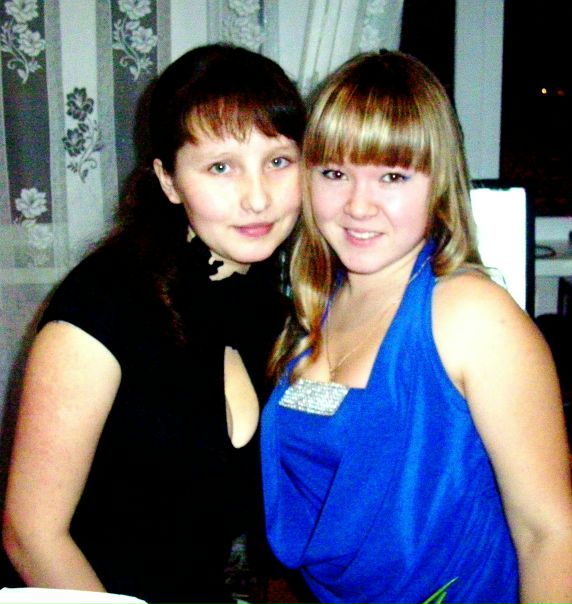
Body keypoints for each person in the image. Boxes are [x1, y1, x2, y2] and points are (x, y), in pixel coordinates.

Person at [261, 50, 572, 603]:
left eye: (392, 176)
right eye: (335, 173)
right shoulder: (312, 310)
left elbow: (549, 534)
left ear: (438, 184)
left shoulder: (473, 317)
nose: (358, 206)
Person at [2, 43, 305, 604]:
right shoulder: (106, 302)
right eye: (221, 167)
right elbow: (31, 537)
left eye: (278, 161)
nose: (258, 197)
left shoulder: (267, 311)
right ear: (168, 181)